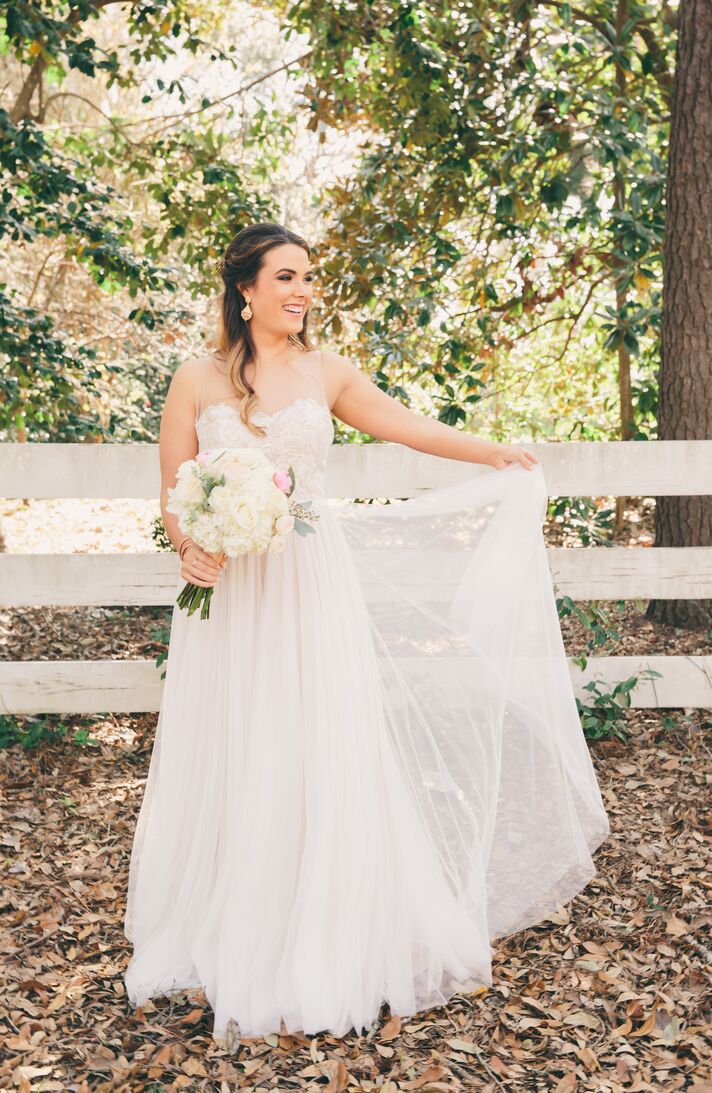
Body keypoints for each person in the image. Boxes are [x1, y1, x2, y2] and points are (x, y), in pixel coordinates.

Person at [124, 221, 610, 1044]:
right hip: (233, 601)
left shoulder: (327, 371)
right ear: (244, 290)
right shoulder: (194, 378)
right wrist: (192, 544)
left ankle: (328, 926)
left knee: (317, 743)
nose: (302, 291)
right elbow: (175, 491)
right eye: (284, 277)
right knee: (243, 745)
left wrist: (493, 454)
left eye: (308, 277)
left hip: (311, 583)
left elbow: (406, 425)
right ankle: (234, 921)